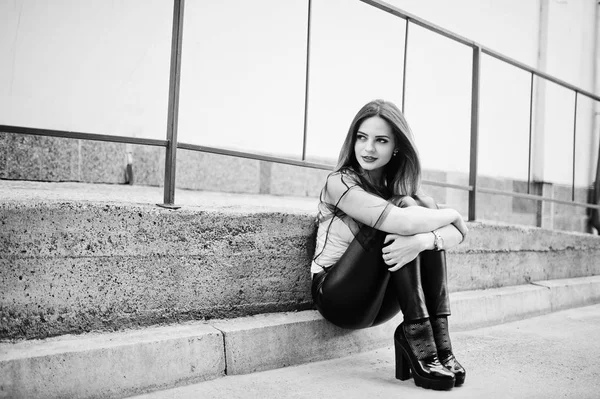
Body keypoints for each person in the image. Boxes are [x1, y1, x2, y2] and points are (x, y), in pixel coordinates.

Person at [311, 99, 468, 391]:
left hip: (381, 302)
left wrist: (423, 241)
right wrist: (453, 214)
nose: (368, 148)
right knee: (403, 211)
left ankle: (439, 344)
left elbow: (457, 235)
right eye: (361, 137)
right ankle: (419, 339)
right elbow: (410, 223)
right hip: (337, 296)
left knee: (419, 204)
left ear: (396, 147)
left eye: (380, 140)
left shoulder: (398, 188)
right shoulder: (340, 182)